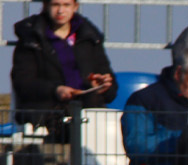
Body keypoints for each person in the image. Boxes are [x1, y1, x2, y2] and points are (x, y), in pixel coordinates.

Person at [11, 0, 116, 134]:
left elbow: (111, 89)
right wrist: (55, 90)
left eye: (66, 5)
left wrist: (101, 87)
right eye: (55, 5)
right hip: (45, 117)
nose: (61, 11)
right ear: (46, 6)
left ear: (75, 7)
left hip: (87, 114)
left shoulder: (90, 38)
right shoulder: (31, 38)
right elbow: (22, 82)